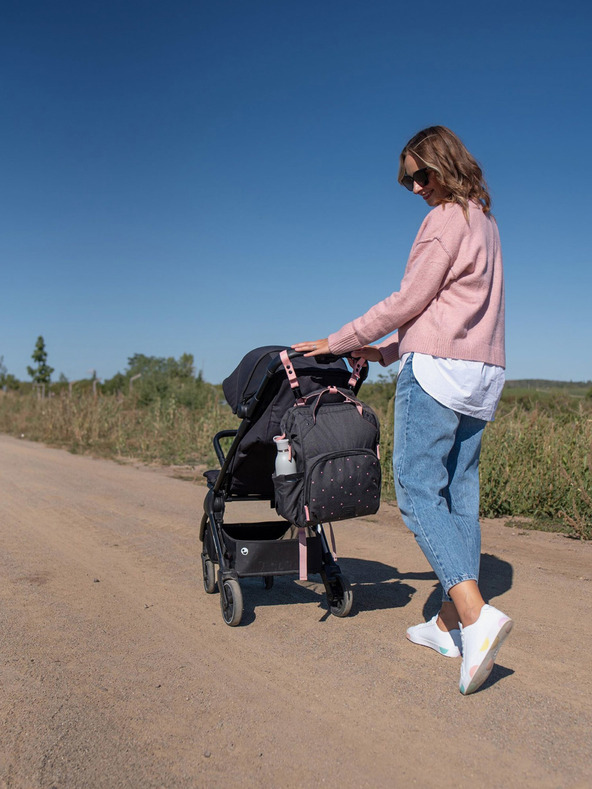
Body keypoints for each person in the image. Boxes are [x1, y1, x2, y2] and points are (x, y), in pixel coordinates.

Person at [293, 125, 513, 695]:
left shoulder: (443, 221)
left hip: (438, 374)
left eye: (421, 175)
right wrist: (386, 351)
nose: (415, 188)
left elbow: (408, 301)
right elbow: (453, 310)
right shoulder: (484, 222)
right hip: (482, 374)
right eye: (407, 181)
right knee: (459, 495)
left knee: (416, 492)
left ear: (443, 164)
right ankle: (446, 625)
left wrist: (339, 341)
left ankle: (473, 615)